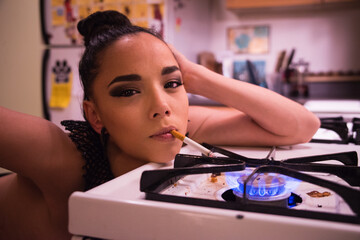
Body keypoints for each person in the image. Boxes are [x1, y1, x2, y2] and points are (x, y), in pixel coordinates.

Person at [0, 10, 320, 239]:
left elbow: (301, 126)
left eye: (171, 84)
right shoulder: (63, 155)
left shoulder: (176, 125)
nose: (162, 107)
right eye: (128, 91)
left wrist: (196, 75)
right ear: (95, 116)